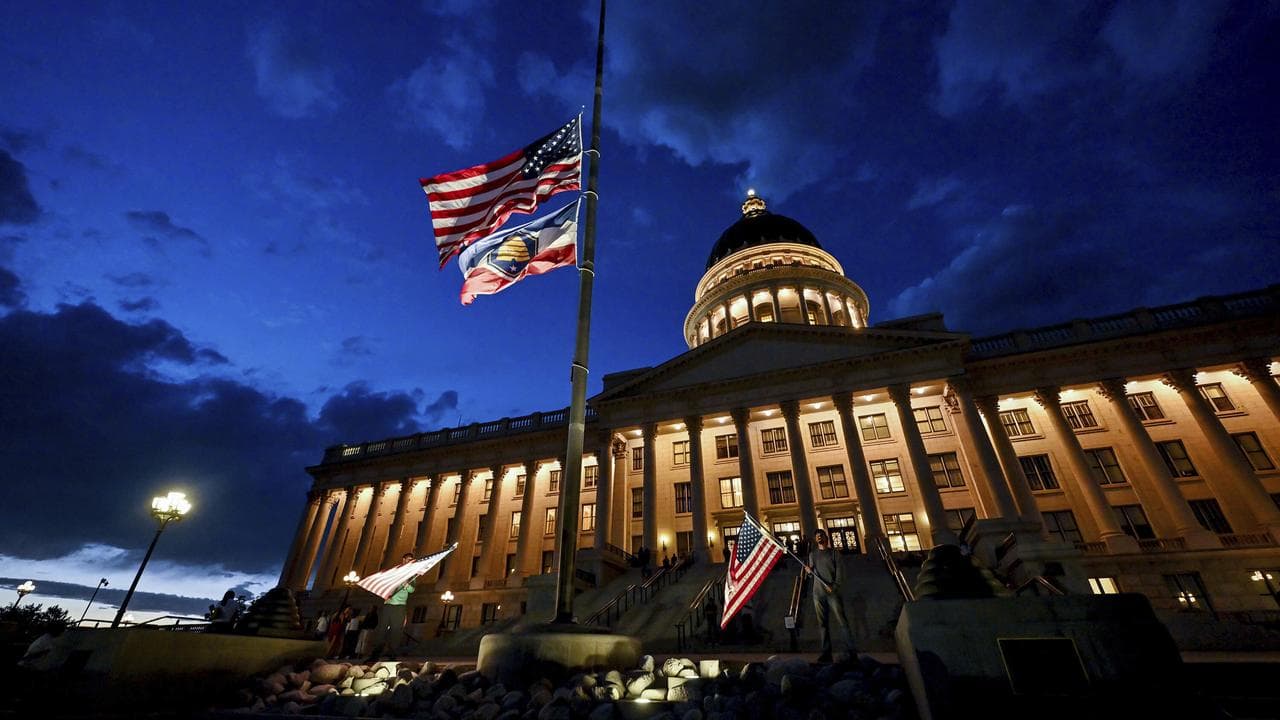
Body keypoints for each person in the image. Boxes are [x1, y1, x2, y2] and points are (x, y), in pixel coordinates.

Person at [807, 529, 858, 663]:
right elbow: (812, 573)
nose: (819, 538)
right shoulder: (813, 554)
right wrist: (809, 571)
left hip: (832, 593)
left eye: (821, 535)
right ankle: (826, 653)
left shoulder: (834, 553)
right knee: (822, 624)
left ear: (826, 537)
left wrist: (834, 586)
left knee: (842, 621)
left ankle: (851, 651)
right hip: (818, 593)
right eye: (817, 536)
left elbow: (841, 572)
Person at [376, 552, 418, 658]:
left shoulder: (412, 575)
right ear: (403, 560)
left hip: (400, 606)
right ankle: (376, 652)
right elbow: (386, 584)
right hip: (389, 604)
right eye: (408, 559)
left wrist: (406, 584)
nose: (410, 561)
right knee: (382, 629)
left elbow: (412, 590)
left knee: (396, 631)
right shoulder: (395, 571)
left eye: (411, 560)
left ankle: (393, 653)